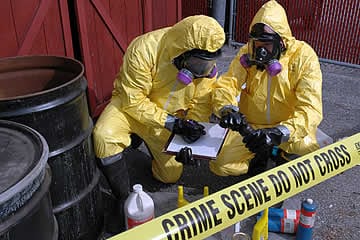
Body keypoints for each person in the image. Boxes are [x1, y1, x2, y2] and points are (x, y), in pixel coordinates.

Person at [93, 15, 225, 231]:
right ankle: (123, 198)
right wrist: (171, 123)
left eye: (208, 63)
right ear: (182, 51)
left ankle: (141, 144)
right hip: (130, 110)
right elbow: (132, 99)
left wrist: (190, 137)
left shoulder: (204, 73)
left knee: (169, 175)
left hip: (168, 120)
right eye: (197, 63)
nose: (202, 71)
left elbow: (200, 104)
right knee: (104, 136)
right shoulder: (144, 49)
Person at [211, 0, 323, 176]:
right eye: (257, 44)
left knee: (310, 154)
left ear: (282, 42)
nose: (260, 52)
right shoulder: (247, 53)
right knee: (220, 165)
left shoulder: (304, 57)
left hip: (286, 127)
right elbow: (228, 84)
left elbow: (310, 109)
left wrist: (280, 133)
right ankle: (258, 155)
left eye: (267, 45)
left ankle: (283, 155)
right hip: (253, 127)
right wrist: (226, 108)